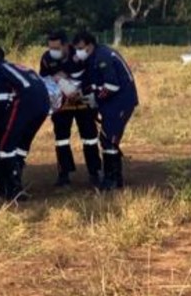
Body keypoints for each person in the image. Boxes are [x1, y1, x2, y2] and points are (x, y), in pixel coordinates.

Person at [71, 31, 138, 191]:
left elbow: (112, 85)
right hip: (112, 102)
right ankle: (115, 177)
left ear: (90, 45)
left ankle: (111, 178)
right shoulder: (94, 56)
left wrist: (94, 98)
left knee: (109, 138)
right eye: (76, 49)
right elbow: (91, 81)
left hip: (120, 101)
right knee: (108, 138)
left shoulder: (103, 57)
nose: (78, 52)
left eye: (80, 48)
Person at [0, 46, 50, 200]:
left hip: (26, 102)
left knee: (5, 144)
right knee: (21, 144)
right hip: (43, 103)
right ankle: (9, 181)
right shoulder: (16, 67)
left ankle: (12, 188)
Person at [39, 31, 102, 188]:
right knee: (61, 138)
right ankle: (64, 174)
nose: (53, 51)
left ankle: (94, 172)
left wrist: (80, 88)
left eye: (57, 48)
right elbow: (44, 80)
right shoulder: (46, 59)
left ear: (66, 46)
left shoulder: (80, 54)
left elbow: (93, 75)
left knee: (90, 137)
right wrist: (57, 81)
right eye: (50, 48)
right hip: (61, 103)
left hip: (83, 100)